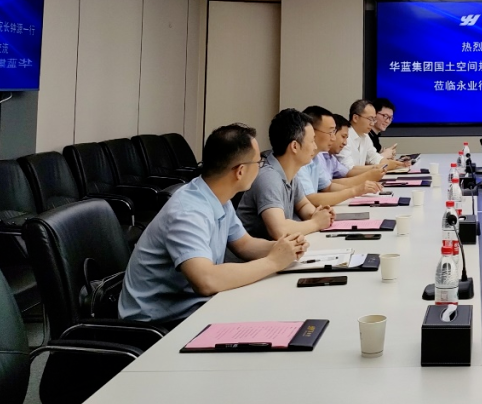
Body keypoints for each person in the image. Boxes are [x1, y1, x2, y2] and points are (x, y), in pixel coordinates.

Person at [118, 123, 308, 326]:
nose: (260, 167)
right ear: (240, 171)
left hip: (193, 308)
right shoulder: (188, 212)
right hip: (159, 325)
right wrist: (273, 262)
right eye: (258, 162)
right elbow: (206, 280)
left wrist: (284, 248)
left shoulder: (217, 197)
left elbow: (245, 244)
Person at [237, 109, 335, 239]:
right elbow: (279, 230)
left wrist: (319, 214)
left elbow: (302, 205)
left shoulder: (289, 172)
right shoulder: (268, 177)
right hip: (256, 251)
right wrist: (316, 223)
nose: (315, 147)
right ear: (294, 146)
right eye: (312, 141)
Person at [295, 105, 383, 206]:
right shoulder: (300, 160)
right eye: (330, 132)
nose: (333, 138)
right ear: (311, 132)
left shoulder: (315, 158)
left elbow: (328, 187)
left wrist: (360, 190)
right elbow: (310, 199)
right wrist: (354, 191)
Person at [338, 99, 409, 176]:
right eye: (370, 119)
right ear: (355, 118)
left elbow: (374, 158)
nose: (372, 123)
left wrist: (398, 164)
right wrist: (381, 166)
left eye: (374, 119)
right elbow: (348, 170)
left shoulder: (365, 136)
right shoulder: (344, 137)